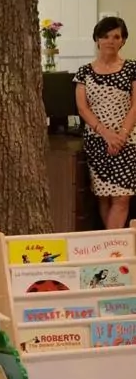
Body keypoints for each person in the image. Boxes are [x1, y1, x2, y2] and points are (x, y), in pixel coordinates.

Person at [74, 16, 136, 229]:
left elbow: (135, 106)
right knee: (104, 197)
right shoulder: (84, 71)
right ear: (97, 39)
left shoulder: (132, 68)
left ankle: (111, 245)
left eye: (116, 36)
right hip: (97, 140)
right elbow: (83, 108)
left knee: (122, 197)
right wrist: (106, 134)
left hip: (126, 141)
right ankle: (111, 242)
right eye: (105, 36)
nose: (110, 41)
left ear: (123, 41)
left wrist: (121, 136)